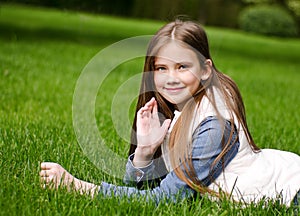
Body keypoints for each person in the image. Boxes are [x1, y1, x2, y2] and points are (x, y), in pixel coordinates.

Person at [40, 20, 300, 207]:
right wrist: (144, 151)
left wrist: (81, 187)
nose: (170, 78)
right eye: (161, 68)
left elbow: (165, 200)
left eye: (182, 66)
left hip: (291, 190)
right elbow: (148, 187)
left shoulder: (215, 126)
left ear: (205, 70)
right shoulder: (182, 108)